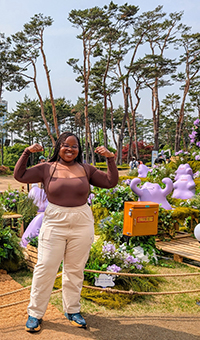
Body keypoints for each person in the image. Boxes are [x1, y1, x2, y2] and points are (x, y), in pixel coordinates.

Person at [14, 131, 118, 332]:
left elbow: (110, 182)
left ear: (79, 150)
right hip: (55, 220)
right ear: (58, 147)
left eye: (74, 146)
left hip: (82, 220)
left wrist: (111, 159)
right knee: (45, 267)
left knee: (75, 268)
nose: (70, 149)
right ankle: (35, 313)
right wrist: (27, 152)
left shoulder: (86, 169)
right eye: (66, 145)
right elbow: (20, 175)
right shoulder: (47, 168)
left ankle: (72, 310)